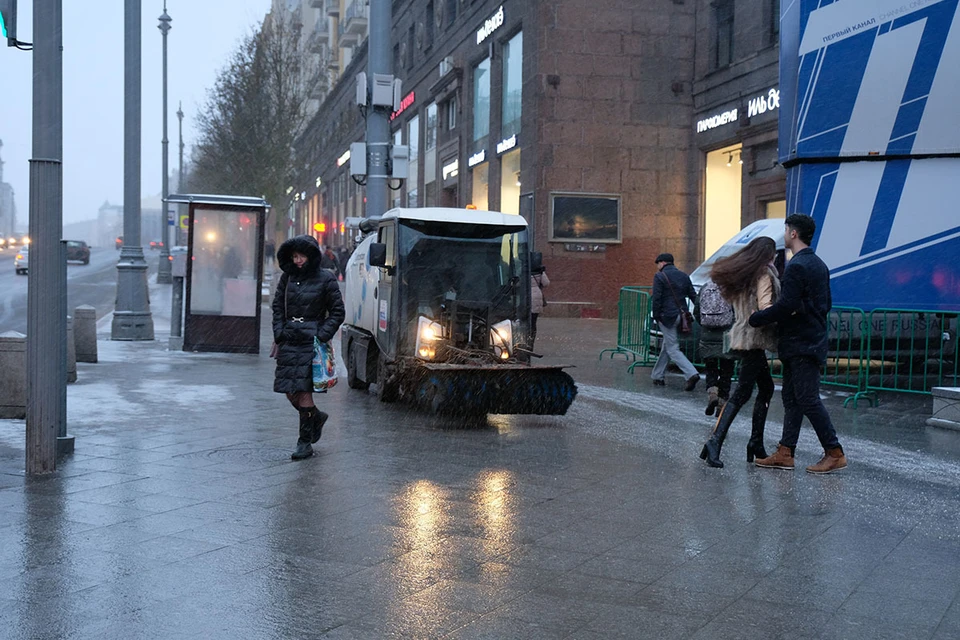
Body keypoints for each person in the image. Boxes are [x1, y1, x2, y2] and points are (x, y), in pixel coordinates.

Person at [750, 214, 848, 474]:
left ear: (793, 233)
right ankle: (785, 452)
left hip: (801, 343)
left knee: (807, 398)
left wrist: (758, 318)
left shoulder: (797, 266)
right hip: (808, 341)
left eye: (785, 230)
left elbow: (787, 305)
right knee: (793, 399)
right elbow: (823, 305)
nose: (784, 235)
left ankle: (834, 451)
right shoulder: (819, 264)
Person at [698, 237, 780, 468]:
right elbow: (765, 307)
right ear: (769, 255)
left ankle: (755, 443)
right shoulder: (763, 274)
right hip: (754, 338)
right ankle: (715, 442)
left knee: (766, 387)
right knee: (741, 394)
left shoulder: (745, 275)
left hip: (744, 336)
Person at [272, 235, 345, 461]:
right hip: (289, 341)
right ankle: (316, 417)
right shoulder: (287, 278)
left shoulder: (326, 279)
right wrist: (280, 331)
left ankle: (304, 442)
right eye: (294, 256)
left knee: (304, 391)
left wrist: (321, 334)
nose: (298, 260)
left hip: (311, 343)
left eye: (301, 256)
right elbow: (277, 306)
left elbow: (337, 312)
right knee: (289, 390)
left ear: (311, 255)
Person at [650, 253, 700, 391]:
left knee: (672, 348)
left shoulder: (660, 276)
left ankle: (691, 373)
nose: (658, 267)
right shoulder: (684, 276)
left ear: (662, 263)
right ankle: (657, 375)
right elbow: (693, 296)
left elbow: (657, 298)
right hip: (682, 315)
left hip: (667, 316)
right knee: (667, 345)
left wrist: (656, 315)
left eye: (658, 264)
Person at [694, 280, 735, 416]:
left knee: (710, 366)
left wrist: (706, 325)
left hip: (708, 333)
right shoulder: (732, 287)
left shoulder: (705, 287)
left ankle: (712, 391)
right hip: (727, 335)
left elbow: (697, 311)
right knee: (727, 369)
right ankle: (722, 402)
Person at [530, 265, 550, 350]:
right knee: (533, 322)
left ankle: (525, 340)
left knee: (525, 321)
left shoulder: (524, 269)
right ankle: (531, 342)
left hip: (526, 296)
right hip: (537, 296)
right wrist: (542, 272)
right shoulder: (539, 271)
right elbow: (546, 283)